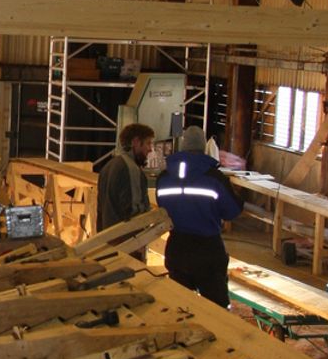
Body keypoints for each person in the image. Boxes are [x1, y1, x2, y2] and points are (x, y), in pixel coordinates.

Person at [155, 126, 244, 308]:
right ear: (204, 147)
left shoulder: (164, 178)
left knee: (179, 308)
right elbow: (232, 211)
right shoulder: (214, 178)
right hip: (207, 251)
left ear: (182, 146)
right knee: (215, 311)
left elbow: (162, 207)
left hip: (177, 248)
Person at [96, 122, 154, 231]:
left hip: (108, 239)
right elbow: (135, 212)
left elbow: (100, 210)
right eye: (148, 143)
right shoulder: (131, 169)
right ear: (135, 142)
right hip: (127, 241)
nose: (150, 149)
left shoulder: (107, 167)